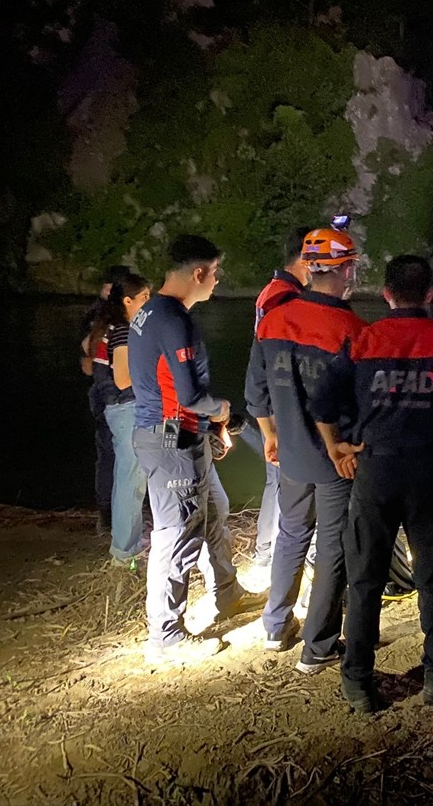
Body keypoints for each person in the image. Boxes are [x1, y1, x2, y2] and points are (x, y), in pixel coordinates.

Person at [321, 255, 433, 713]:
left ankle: (357, 681)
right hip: (430, 472)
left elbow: (321, 404)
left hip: (374, 470)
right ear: (430, 295)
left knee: (365, 578)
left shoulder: (361, 340)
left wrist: (337, 448)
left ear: (387, 294)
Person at [129, 235, 264, 661]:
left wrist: (209, 425)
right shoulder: (174, 319)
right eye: (216, 271)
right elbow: (188, 396)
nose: (218, 280)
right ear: (199, 273)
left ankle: (228, 593)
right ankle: (166, 637)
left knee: (214, 510)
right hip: (172, 439)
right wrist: (223, 411)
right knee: (177, 534)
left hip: (179, 434)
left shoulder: (149, 312)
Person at [245, 226, 365, 673]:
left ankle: (276, 626)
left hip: (290, 450)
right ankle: (318, 645)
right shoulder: (351, 328)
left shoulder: (273, 318)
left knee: (292, 533)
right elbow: (358, 402)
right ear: (347, 269)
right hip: (336, 459)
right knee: (333, 544)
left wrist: (270, 434)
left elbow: (255, 389)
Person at [246, 226, 313, 567]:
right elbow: (275, 358)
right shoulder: (283, 298)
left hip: (272, 402)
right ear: (305, 259)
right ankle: (273, 555)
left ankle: (265, 552)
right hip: (281, 404)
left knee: (277, 481)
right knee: (286, 481)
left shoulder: (272, 291)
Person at [88, 272, 151, 566]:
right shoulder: (124, 331)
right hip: (127, 409)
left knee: (124, 478)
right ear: (128, 301)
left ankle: (128, 539)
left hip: (113, 409)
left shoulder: (105, 327)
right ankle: (126, 552)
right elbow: (124, 379)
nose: (148, 303)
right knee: (132, 481)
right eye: (144, 298)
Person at [81, 264, 130, 531]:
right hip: (113, 396)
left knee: (109, 456)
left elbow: (87, 357)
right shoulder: (111, 321)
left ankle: (108, 515)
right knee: (117, 457)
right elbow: (88, 359)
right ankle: (113, 518)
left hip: (102, 392)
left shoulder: (99, 317)